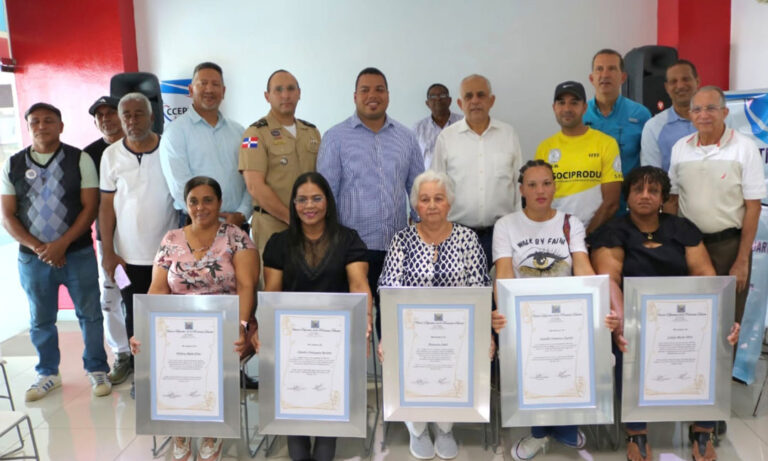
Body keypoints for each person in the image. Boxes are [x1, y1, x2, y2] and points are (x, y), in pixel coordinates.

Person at [589, 166, 741, 461]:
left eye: (653, 190)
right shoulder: (612, 232)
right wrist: (623, 324)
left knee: (713, 341)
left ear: (663, 197)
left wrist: (718, 319)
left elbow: (704, 277)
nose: (645, 196)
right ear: (627, 195)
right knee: (627, 345)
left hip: (681, 317)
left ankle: (702, 430)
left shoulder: (682, 229)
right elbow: (610, 281)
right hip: (633, 317)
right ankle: (637, 432)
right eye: (638, 190)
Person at [490, 160, 613, 460]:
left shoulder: (571, 222)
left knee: (569, 361)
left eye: (546, 183)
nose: (540, 190)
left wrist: (599, 309)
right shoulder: (505, 225)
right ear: (521, 190)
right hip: (526, 316)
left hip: (567, 313)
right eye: (532, 185)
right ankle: (539, 433)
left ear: (555, 186)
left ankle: (564, 426)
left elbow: (582, 266)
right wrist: (502, 314)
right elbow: (504, 272)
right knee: (534, 367)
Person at [131, 176, 259, 461]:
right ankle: (180, 428)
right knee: (163, 351)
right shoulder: (171, 239)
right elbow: (158, 288)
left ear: (220, 203)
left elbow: (247, 285)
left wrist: (242, 327)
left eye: (207, 200)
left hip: (225, 324)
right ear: (185, 205)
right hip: (178, 326)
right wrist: (144, 328)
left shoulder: (236, 236)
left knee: (209, 356)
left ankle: (211, 429)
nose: (200, 207)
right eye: (193, 201)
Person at [1, 102, 111, 400]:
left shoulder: (80, 159)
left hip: (77, 253)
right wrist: (40, 247)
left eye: (49, 120)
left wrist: (62, 244)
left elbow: (90, 207)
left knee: (89, 314)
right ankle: (47, 373)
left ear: (61, 126)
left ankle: (97, 369)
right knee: (40, 319)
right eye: (34, 121)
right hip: (33, 259)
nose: (41, 126)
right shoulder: (12, 164)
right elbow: (7, 215)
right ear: (28, 127)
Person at [378, 170, 490, 460]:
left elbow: (480, 290)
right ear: (415, 205)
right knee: (409, 362)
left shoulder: (467, 238)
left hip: (457, 333)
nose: (431, 205)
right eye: (424, 199)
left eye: (438, 199)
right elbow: (387, 291)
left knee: (451, 369)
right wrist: (388, 338)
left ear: (449, 203)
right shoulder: (401, 241)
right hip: (411, 334)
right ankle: (416, 428)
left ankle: (444, 427)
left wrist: (485, 335)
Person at [262, 172, 372, 461]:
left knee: (324, 453)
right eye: (301, 199)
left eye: (316, 198)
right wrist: (263, 332)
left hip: (334, 342)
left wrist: (365, 322)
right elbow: (272, 293)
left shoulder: (349, 239)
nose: (308, 205)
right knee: (298, 451)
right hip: (291, 343)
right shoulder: (278, 243)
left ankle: (325, 435)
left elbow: (359, 285)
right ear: (293, 204)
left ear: (328, 202)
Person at [317, 67, 424, 338]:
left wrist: (424, 237)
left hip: (396, 247)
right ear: (355, 96)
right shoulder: (335, 137)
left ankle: (392, 381)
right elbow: (325, 195)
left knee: (393, 325)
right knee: (351, 325)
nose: (372, 95)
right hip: (350, 249)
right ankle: (350, 381)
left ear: (388, 95)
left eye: (379, 89)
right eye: (365, 90)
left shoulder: (406, 138)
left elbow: (418, 190)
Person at [666, 86, 766, 324]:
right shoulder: (681, 148)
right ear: (690, 115)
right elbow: (672, 200)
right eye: (697, 109)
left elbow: (753, 207)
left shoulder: (745, 148)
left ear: (724, 112)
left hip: (729, 248)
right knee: (688, 321)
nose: (704, 115)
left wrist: (742, 260)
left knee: (726, 323)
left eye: (711, 108)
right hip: (689, 247)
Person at [99, 93, 176, 372]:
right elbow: (106, 208)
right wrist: (108, 252)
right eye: (126, 115)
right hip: (125, 259)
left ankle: (170, 370)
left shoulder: (169, 148)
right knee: (132, 313)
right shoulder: (110, 155)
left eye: (138, 113)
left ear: (152, 116)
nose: (132, 120)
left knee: (167, 314)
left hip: (168, 257)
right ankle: (141, 372)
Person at [432, 74, 522, 268]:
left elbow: (519, 186)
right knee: (462, 296)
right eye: (468, 96)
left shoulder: (508, 135)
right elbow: (436, 191)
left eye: (481, 95)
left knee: (500, 293)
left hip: (502, 233)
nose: (475, 101)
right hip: (456, 235)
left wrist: (519, 231)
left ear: (491, 100)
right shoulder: (446, 138)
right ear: (459, 103)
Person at [160, 61, 252, 229]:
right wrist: (211, 217)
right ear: (190, 90)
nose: (209, 90)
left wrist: (242, 213)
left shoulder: (240, 132)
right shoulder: (175, 133)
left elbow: (251, 179)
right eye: (203, 84)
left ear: (223, 92)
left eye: (215, 84)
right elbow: (180, 187)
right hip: (196, 224)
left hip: (237, 223)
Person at [239, 69, 320, 258]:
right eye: (278, 90)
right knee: (273, 285)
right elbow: (254, 186)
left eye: (291, 89)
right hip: (272, 225)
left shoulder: (312, 132)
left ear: (299, 93)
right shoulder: (254, 134)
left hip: (310, 225)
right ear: (267, 96)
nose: (285, 95)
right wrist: (292, 218)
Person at [83, 95, 132, 384]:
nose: (106, 119)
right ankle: (122, 353)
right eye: (99, 115)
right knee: (112, 295)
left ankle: (146, 351)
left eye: (111, 112)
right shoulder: (89, 154)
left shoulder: (143, 145)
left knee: (138, 295)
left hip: (141, 240)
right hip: (110, 243)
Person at [534, 81, 622, 233]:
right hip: (555, 237)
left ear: (584, 107)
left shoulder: (606, 143)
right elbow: (538, 200)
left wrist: (584, 238)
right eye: (561, 103)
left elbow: (611, 203)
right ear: (554, 108)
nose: (567, 109)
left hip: (596, 235)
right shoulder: (545, 148)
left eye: (574, 103)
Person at [584, 48, 651, 215]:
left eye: (612, 68)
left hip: (630, 209)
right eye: (599, 69)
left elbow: (648, 162)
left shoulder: (640, 114)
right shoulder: (580, 114)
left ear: (623, 77)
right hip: (588, 207)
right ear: (591, 78)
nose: (605, 74)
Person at [641, 60, 700, 171]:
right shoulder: (653, 127)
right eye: (673, 81)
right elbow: (652, 176)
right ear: (667, 87)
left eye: (686, 79)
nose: (680, 85)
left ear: (697, 81)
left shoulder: (715, 120)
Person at [413, 83, 463, 169]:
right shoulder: (418, 129)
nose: (438, 99)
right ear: (427, 103)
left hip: (460, 179)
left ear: (449, 100)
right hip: (430, 180)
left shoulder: (464, 123)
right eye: (432, 96)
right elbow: (413, 159)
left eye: (442, 95)